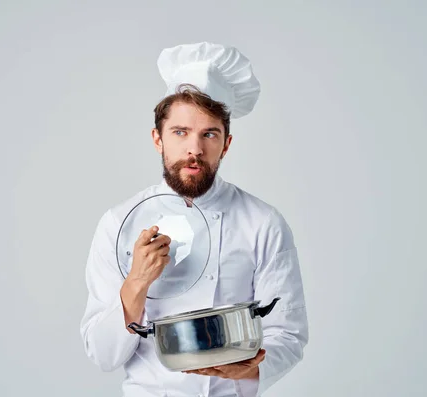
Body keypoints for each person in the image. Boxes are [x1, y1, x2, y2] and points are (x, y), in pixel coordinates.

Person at [79, 42, 309, 397]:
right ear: (158, 139)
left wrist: (252, 365)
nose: (195, 150)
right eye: (180, 132)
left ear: (226, 144)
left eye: (209, 134)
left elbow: (288, 334)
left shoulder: (262, 222)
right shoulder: (119, 223)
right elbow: (103, 354)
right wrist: (137, 282)